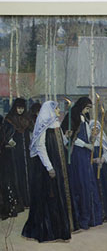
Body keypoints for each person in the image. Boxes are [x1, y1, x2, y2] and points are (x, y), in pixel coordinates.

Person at [21, 101, 74, 242]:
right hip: (47, 167)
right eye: (56, 108)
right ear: (49, 110)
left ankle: (59, 231)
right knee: (48, 196)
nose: (58, 110)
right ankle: (46, 232)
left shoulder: (56, 123)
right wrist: (49, 167)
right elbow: (40, 147)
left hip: (58, 163)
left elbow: (60, 142)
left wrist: (66, 137)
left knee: (57, 196)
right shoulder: (43, 125)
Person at [64, 97, 103, 230]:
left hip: (85, 155)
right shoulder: (72, 116)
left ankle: (91, 217)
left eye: (89, 109)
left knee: (88, 183)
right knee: (80, 183)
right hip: (77, 155)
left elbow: (86, 134)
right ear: (81, 106)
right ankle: (81, 219)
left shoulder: (84, 118)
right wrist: (86, 145)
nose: (87, 111)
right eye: (86, 108)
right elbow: (72, 139)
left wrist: (92, 138)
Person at [4, 98, 32, 209]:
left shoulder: (27, 119)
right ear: (15, 108)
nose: (20, 110)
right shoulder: (9, 119)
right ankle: (20, 200)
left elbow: (32, 130)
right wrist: (9, 140)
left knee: (27, 173)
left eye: (22, 108)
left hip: (26, 148)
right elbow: (5, 133)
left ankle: (28, 199)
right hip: (15, 150)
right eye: (18, 108)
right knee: (17, 173)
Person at [90, 119, 107, 221]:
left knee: (105, 187)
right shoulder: (89, 140)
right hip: (92, 167)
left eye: (97, 129)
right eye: (93, 130)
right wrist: (93, 160)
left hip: (102, 167)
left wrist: (102, 160)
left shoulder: (102, 138)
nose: (95, 132)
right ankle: (98, 214)